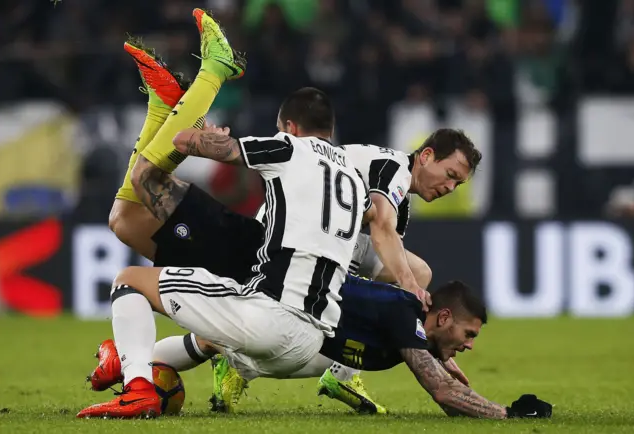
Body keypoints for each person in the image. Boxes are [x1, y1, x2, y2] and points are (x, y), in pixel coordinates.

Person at [100, 28, 482, 412]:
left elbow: (377, 232)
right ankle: (194, 85)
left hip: (283, 267)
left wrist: (420, 334)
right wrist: (412, 291)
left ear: (291, 128)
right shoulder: (391, 169)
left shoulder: (357, 175)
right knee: (128, 218)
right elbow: (381, 228)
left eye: (458, 183)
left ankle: (138, 364)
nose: (451, 186)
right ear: (428, 155)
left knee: (129, 219)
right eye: (451, 175)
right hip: (270, 250)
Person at [77, 9, 371, 419]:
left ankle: (212, 71)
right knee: (125, 220)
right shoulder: (354, 177)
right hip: (302, 314)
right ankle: (131, 365)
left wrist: (202, 132)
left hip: (252, 261)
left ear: (289, 126)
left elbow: (193, 143)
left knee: (139, 196)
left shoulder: (291, 148)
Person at [85, 277, 553, 419]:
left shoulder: (408, 325)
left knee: (218, 341)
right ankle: (132, 368)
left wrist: (448, 372)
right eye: (468, 335)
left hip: (288, 334)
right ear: (444, 318)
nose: (469, 345)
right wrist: (506, 413)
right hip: (264, 304)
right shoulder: (401, 313)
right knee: (132, 280)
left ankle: (126, 363)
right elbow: (444, 395)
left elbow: (448, 394)